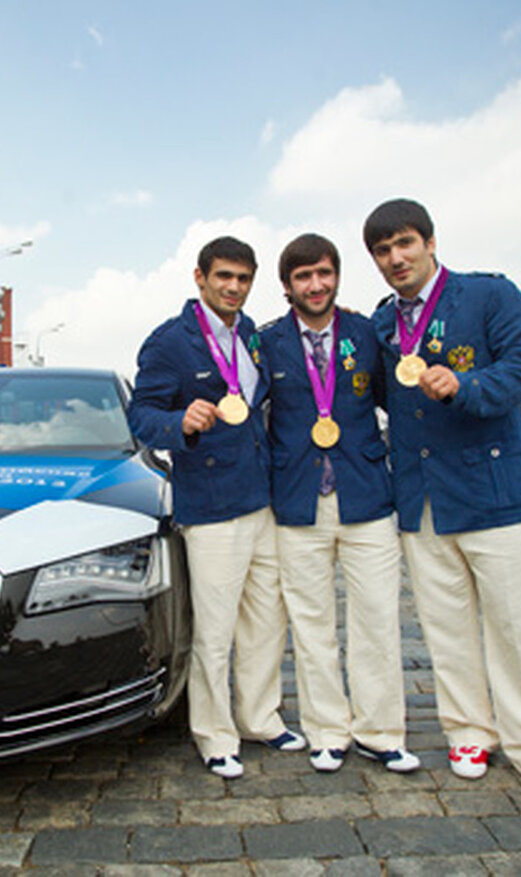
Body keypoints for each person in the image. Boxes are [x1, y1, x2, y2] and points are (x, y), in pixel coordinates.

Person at [364, 198, 521, 802]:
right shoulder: (384, 323)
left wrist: (468, 384)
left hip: (494, 491)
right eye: (382, 251)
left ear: (431, 242)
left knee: (517, 626)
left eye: (404, 243)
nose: (395, 258)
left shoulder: (489, 295)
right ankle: (468, 731)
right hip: (422, 495)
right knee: (446, 626)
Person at [127, 236, 304, 779]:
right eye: (223, 277)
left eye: (243, 279)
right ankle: (214, 733)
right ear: (199, 277)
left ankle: (259, 717)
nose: (233, 287)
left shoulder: (250, 334)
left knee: (265, 621)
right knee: (216, 629)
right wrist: (177, 423)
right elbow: (141, 417)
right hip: (209, 510)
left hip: (261, 501)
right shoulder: (169, 342)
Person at [261, 233, 418, 774]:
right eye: (303, 276)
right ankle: (327, 731)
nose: (316, 284)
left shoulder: (367, 334)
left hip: (366, 497)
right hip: (298, 503)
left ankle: (380, 732)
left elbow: (395, 399)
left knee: (377, 617)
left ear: (337, 275)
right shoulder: (267, 343)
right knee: (311, 624)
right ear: (287, 286)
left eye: (324, 273)